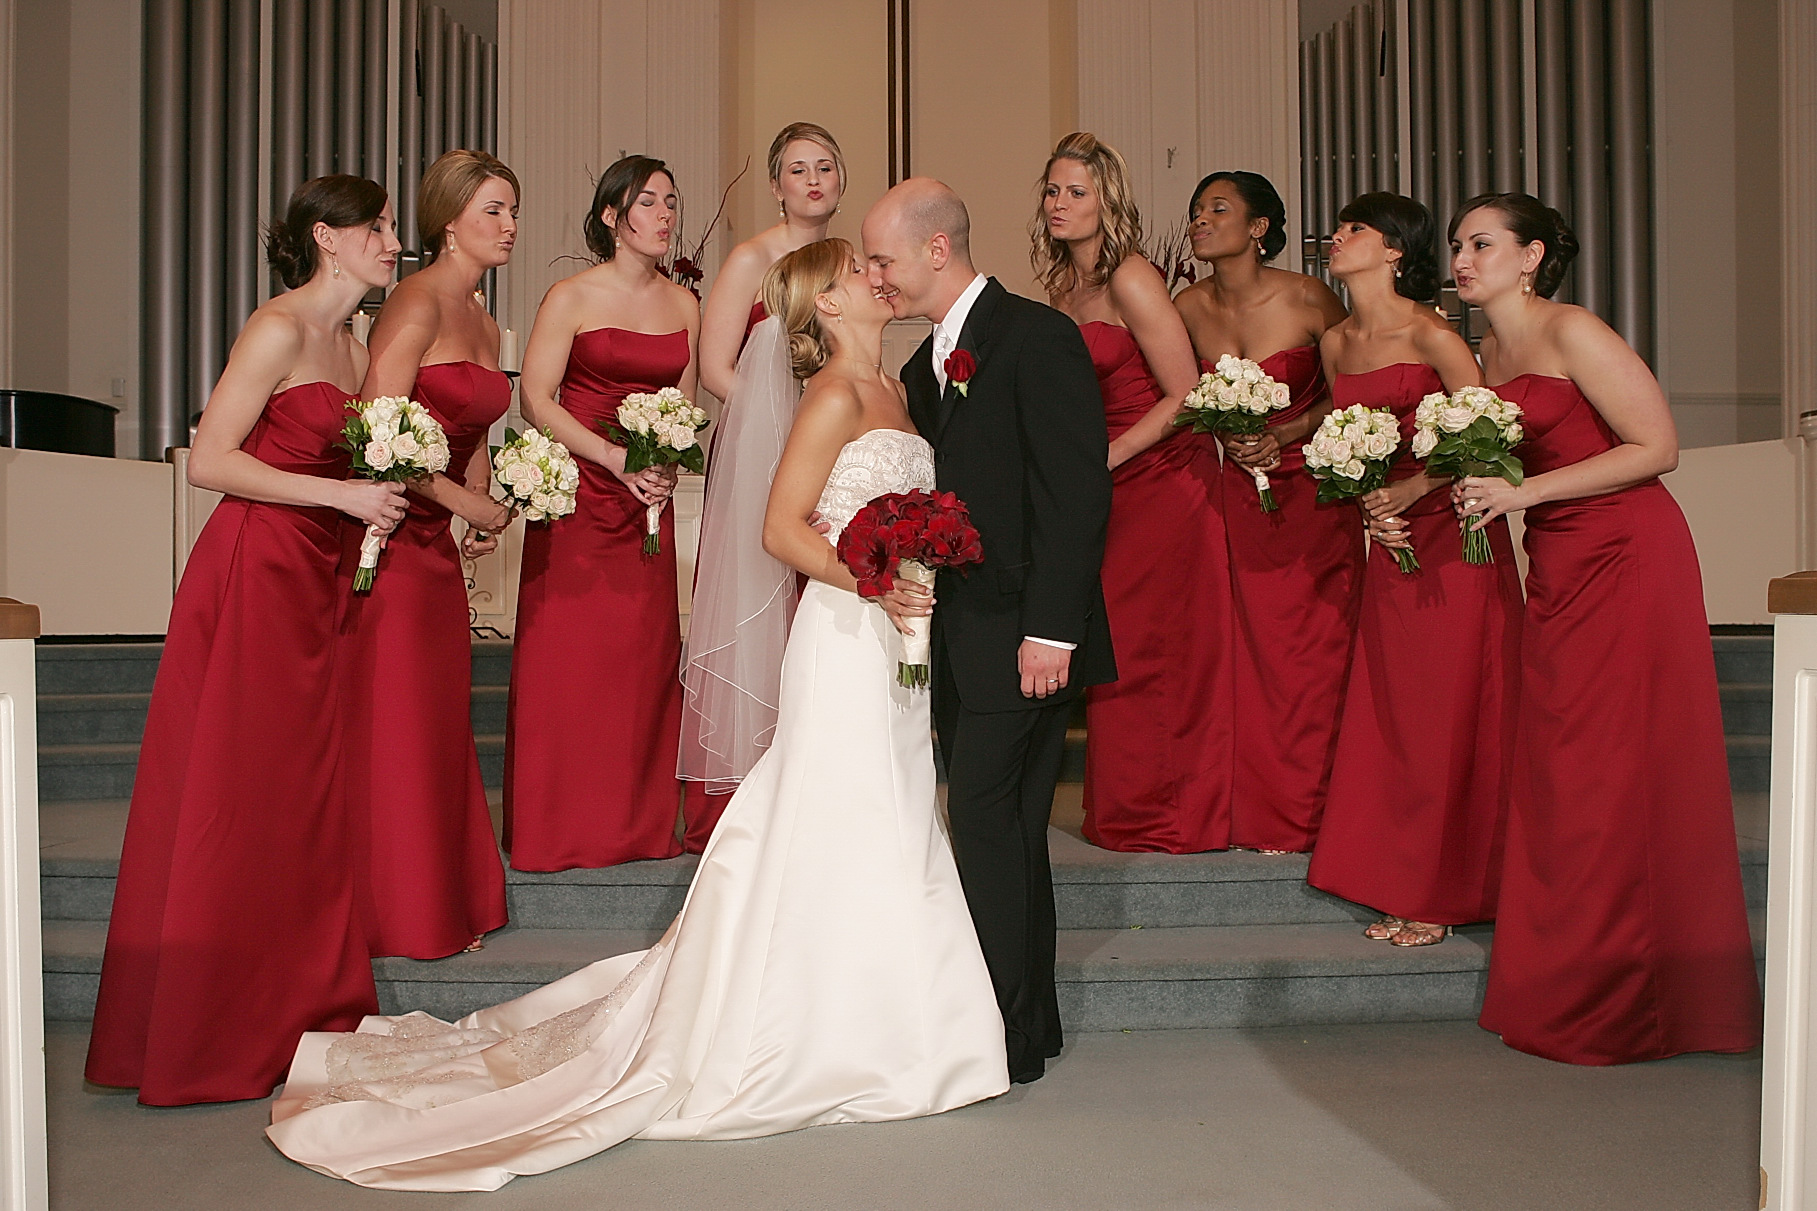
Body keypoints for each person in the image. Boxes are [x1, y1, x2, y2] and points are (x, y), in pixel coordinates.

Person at [266, 238, 1007, 1190]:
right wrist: (872, 579)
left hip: (895, 627)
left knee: (896, 807)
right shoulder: (829, 397)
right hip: (845, 628)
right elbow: (778, 530)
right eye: (858, 270)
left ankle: (900, 1021)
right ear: (825, 305)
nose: (878, 274)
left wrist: (915, 566)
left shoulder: (898, 390)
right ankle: (830, 1030)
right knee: (843, 806)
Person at [85, 176, 407, 1105]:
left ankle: (296, 1006)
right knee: (236, 789)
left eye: (390, 226)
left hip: (315, 577)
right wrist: (342, 494)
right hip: (252, 569)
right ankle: (211, 1023)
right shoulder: (277, 327)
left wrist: (381, 500)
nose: (392, 241)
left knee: (297, 797)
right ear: (327, 238)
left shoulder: (355, 348)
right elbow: (210, 460)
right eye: (376, 226)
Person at [1451, 193, 1761, 1062]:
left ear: (1530, 256)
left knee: (1614, 764)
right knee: (1564, 768)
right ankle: (1570, 978)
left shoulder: (1573, 329)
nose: (1461, 259)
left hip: (1627, 551)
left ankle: (1641, 1000)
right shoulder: (1484, 351)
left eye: (1480, 243)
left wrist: (1523, 492)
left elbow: (1657, 447)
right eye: (1457, 245)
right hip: (1554, 558)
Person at [866, 178, 1115, 1084]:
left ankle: (994, 1030)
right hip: (959, 638)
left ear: (936, 249)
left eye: (884, 258)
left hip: (1024, 634)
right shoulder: (921, 364)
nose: (876, 276)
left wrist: (1052, 629)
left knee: (979, 818)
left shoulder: (1036, 336)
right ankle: (1026, 1028)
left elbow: (1074, 491)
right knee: (1006, 829)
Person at [1304, 192, 1522, 946]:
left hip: (1455, 535)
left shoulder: (1433, 332)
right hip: (1389, 541)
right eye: (1338, 227)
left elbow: (1489, 435)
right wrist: (1368, 499)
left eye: (1355, 228)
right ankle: (1397, 874)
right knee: (1397, 714)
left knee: (1447, 711)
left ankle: (1443, 890)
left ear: (1395, 250)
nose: (1337, 237)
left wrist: (1413, 489)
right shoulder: (1336, 343)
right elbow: (1344, 441)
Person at [1034, 133, 1229, 853]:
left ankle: (1171, 814)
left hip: (1162, 480)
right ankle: (1128, 805)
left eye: (1075, 192)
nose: (1058, 204)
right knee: (1117, 648)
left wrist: (1106, 456)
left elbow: (1185, 393)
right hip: (1104, 485)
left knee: (1154, 647)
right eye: (1052, 191)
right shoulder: (1063, 286)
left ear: (1107, 201)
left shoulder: (1132, 277)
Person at [343, 149, 517, 959]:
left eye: (512, 210)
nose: (509, 226)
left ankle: (442, 896)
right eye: (492, 211)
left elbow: (467, 425)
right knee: (402, 724)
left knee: (438, 722)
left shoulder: (482, 317)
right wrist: (459, 500)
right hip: (390, 541)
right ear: (448, 221)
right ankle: (395, 911)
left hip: (437, 544)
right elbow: (377, 432)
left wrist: (479, 502)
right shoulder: (414, 302)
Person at [504, 155, 693, 870]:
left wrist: (666, 464)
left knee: (639, 665)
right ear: (612, 216)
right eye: (648, 202)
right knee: (570, 663)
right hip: (578, 499)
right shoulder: (571, 295)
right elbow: (536, 398)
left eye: (670, 202)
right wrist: (613, 459)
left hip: (647, 503)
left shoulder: (684, 305)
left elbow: (683, 409)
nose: (664, 214)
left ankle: (634, 825)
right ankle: (558, 827)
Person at [1173, 171, 1357, 853]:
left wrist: (1287, 431)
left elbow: (1352, 389)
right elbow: (1173, 395)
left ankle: (1313, 809)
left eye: (1217, 209)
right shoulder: (1187, 306)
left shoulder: (1308, 297)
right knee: (1245, 653)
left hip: (1312, 495)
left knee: (1310, 653)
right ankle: (1253, 809)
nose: (1199, 219)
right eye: (1196, 210)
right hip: (1231, 498)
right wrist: (1221, 431)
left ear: (1257, 228)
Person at [681, 122, 846, 851]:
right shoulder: (751, 258)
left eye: (824, 167)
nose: (812, 180)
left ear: (840, 180)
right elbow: (716, 367)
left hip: (831, 461)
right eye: (797, 169)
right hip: (760, 459)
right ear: (776, 184)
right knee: (757, 611)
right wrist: (783, 430)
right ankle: (742, 800)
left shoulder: (848, 262)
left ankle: (816, 791)